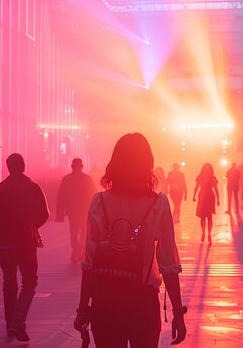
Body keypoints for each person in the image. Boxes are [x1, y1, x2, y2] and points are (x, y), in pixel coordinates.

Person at [73, 133, 186, 347]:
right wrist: (178, 313)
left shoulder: (100, 202)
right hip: (143, 303)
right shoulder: (158, 204)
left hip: (105, 302)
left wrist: (82, 308)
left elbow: (89, 262)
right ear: (148, 165)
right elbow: (168, 265)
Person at [0, 153, 50, 342]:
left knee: (9, 283)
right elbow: (44, 213)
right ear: (23, 166)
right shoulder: (32, 187)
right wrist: (32, 227)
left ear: (8, 167)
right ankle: (18, 321)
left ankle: (10, 324)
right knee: (30, 282)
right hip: (25, 242)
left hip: (4, 245)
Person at [56, 158, 97, 262]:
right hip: (85, 210)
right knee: (84, 231)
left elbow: (61, 196)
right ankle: (80, 251)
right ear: (82, 166)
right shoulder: (87, 179)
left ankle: (75, 250)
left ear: (72, 166)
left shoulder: (67, 179)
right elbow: (94, 194)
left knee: (73, 231)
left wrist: (60, 211)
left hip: (72, 210)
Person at [193, 163, 220, 243]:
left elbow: (216, 188)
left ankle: (209, 234)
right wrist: (194, 196)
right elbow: (196, 187)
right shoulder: (200, 177)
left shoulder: (213, 178)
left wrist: (218, 199)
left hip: (210, 198)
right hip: (202, 197)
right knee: (202, 217)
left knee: (209, 217)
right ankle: (203, 233)